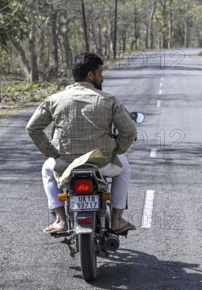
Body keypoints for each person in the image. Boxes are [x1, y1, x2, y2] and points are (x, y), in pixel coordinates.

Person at [26, 52, 137, 234]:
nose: (102, 77)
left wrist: (52, 152)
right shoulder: (109, 100)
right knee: (124, 168)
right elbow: (129, 131)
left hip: (67, 164)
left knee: (47, 170)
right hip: (102, 164)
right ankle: (117, 219)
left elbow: (32, 128)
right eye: (100, 72)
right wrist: (117, 149)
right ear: (90, 75)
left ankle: (60, 220)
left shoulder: (55, 99)